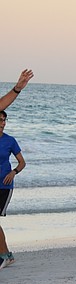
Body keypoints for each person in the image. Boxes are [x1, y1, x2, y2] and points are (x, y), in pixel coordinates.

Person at [0, 111, 25, 270]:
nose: (3, 123)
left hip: (4, 186)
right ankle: (7, 255)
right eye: (0, 120)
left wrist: (13, 172)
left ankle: (5, 255)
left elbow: (22, 162)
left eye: (4, 120)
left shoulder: (10, 141)